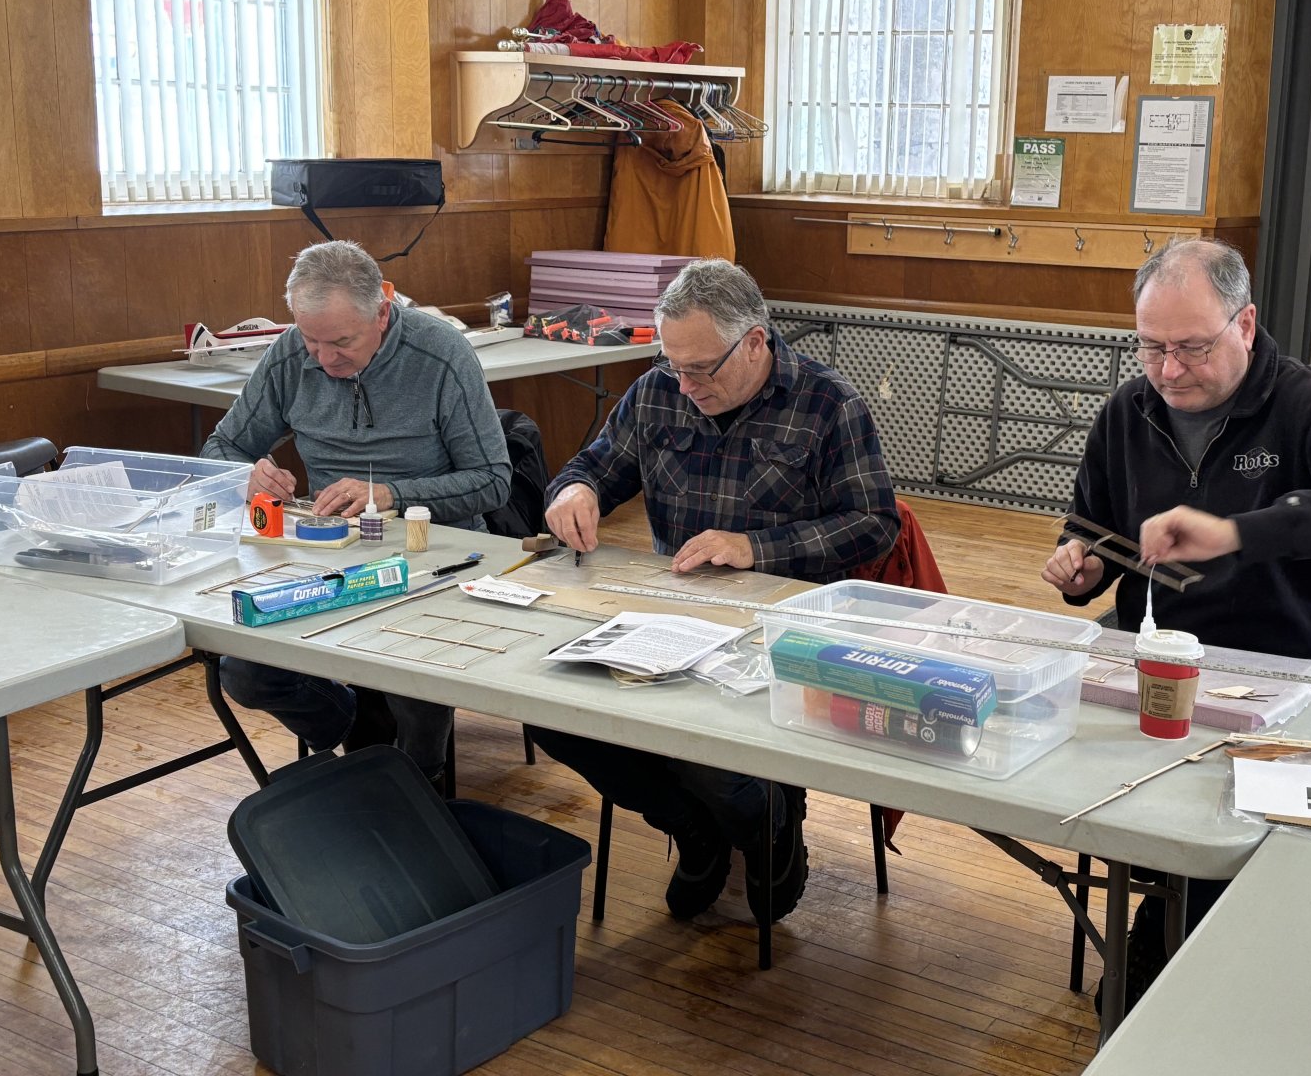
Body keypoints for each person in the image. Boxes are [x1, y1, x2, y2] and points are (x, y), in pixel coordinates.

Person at [1040, 236, 1311, 1014]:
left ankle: (1203, 977)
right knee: (1142, 823)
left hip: (1290, 671)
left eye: (1192, 347)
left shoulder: (1308, 406)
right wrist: (1083, 567)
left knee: (1240, 856)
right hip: (1162, 669)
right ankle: (1164, 957)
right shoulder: (1126, 414)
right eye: (1151, 347)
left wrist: (1240, 531)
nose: (1169, 371)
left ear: (1244, 324)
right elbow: (1094, 529)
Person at [531, 258, 900, 926]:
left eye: (701, 369)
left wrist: (756, 547)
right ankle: (695, 828)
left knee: (709, 751)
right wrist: (575, 491)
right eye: (673, 364)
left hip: (783, 632)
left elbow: (873, 524)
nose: (685, 385)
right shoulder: (657, 393)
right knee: (555, 717)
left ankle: (768, 829)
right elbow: (594, 467)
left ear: (755, 342)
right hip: (672, 617)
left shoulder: (828, 404)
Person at [202, 240, 512, 784]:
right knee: (246, 673)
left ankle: (419, 785)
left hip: (432, 555)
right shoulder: (290, 355)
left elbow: (493, 480)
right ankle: (359, 733)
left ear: (382, 313)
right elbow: (220, 448)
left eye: (342, 342)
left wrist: (390, 494)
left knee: (412, 675)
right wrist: (244, 476)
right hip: (329, 555)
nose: (324, 359)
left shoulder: (440, 354)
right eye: (311, 340)